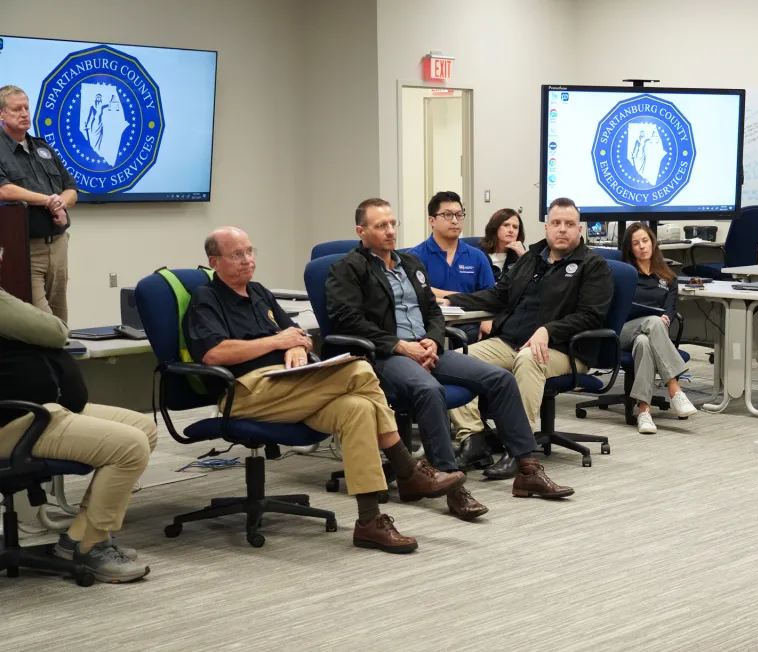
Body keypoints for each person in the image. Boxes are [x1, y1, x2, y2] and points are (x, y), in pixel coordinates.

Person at [184, 227, 462, 554]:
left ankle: (369, 522)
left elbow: (295, 332)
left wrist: (297, 348)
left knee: (358, 409)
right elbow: (213, 353)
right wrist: (278, 342)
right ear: (214, 262)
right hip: (247, 392)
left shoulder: (258, 292)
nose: (247, 260)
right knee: (359, 369)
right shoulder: (207, 298)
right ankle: (406, 469)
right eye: (236, 255)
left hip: (290, 385)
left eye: (249, 251)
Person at [326, 198, 574, 512]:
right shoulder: (348, 269)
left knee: (499, 378)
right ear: (361, 231)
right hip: (385, 356)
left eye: (392, 224)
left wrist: (431, 339)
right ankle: (452, 486)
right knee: (430, 390)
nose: (390, 231)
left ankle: (527, 470)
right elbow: (347, 319)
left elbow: (432, 311)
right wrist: (401, 345)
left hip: (426, 350)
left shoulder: (410, 265)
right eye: (380, 226)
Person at [0, 246, 154, 583]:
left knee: (144, 427)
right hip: (14, 420)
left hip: (39, 411)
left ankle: (83, 534)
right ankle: (88, 546)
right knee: (129, 446)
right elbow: (55, 331)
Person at [443, 197, 612, 476]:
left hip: (565, 349)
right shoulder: (532, 258)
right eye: (556, 223)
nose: (562, 229)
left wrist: (547, 330)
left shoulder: (593, 266)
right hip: (509, 341)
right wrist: (454, 300)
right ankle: (473, 439)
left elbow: (590, 315)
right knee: (455, 360)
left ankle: (517, 449)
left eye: (569, 224)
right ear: (546, 227)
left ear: (579, 230)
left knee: (529, 358)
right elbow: (499, 295)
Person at [0, 85, 78, 324]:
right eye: (16, 109)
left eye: (26, 107)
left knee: (61, 317)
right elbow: (4, 190)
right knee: (43, 322)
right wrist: (48, 200)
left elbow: (71, 189)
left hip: (58, 244)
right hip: (25, 248)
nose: (24, 113)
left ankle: (60, 362)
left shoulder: (42, 147)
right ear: (1, 114)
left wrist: (59, 202)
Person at [618, 223, 697, 434]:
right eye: (636, 243)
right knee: (653, 322)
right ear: (630, 248)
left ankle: (643, 411)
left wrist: (664, 319)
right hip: (621, 331)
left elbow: (670, 311)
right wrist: (654, 319)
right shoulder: (625, 274)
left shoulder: (668, 278)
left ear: (653, 243)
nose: (642, 247)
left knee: (645, 342)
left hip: (647, 335)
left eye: (645, 241)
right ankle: (675, 389)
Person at [404, 191, 496, 342]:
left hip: (470, 325)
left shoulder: (477, 256)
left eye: (459, 215)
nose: (455, 221)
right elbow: (416, 290)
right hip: (429, 327)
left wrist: (488, 319)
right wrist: (461, 298)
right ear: (432, 220)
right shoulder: (414, 256)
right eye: (447, 215)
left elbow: (491, 295)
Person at [478, 208, 527, 281]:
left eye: (515, 227)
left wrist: (525, 256)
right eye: (506, 225)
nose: (511, 230)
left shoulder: (518, 252)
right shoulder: (479, 252)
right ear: (495, 228)